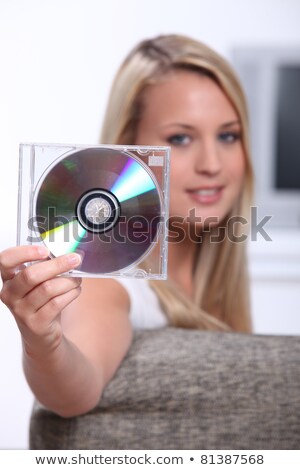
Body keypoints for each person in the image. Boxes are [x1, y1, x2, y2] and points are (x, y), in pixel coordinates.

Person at [0, 34, 253, 418]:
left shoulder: (217, 276)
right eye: (180, 138)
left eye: (228, 135)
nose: (212, 163)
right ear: (128, 147)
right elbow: (75, 392)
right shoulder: (111, 283)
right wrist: (45, 343)